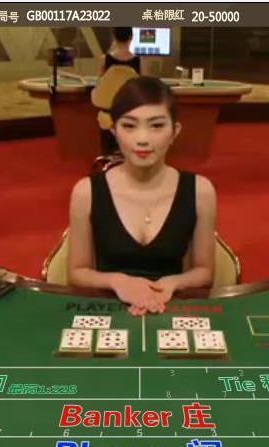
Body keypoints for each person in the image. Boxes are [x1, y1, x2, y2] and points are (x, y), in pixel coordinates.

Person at [67, 76, 217, 315]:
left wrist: (172, 283)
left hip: (169, 307)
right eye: (129, 126)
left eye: (156, 125)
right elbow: (77, 273)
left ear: (174, 131)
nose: (143, 139)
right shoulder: (85, 192)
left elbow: (204, 271)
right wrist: (118, 281)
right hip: (108, 310)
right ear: (114, 131)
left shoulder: (201, 191)